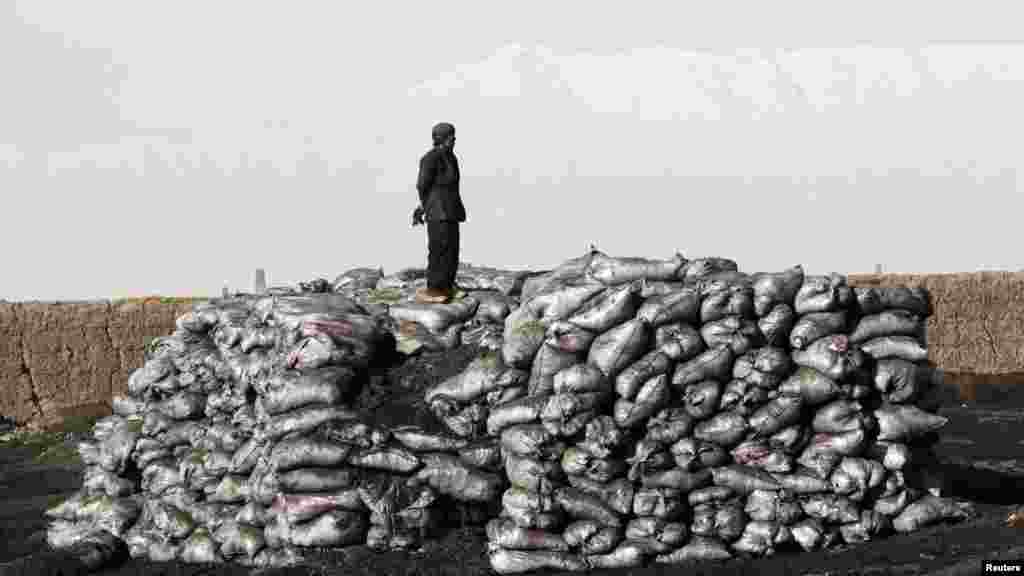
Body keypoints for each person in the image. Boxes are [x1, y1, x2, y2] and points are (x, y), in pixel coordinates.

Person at [412, 122, 466, 304]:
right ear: (441, 139)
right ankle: (434, 288)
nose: (454, 140)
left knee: (452, 250)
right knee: (439, 250)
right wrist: (424, 207)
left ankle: (448, 286)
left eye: (454, 137)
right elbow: (422, 186)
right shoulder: (430, 158)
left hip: (451, 210)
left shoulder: (452, 158)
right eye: (451, 137)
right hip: (437, 211)